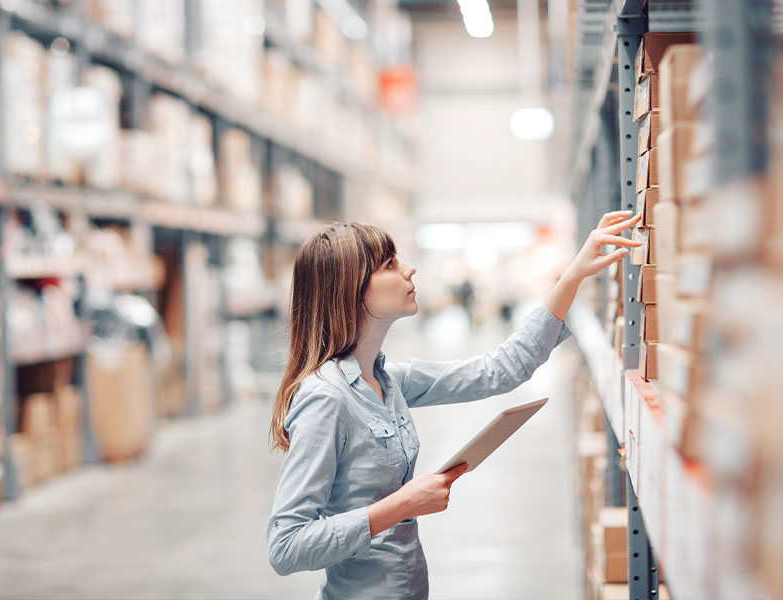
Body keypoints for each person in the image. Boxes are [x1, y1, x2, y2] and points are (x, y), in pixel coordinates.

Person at [267, 212, 642, 599]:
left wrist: (573, 276)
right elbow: (286, 545)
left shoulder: (389, 380)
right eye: (390, 264)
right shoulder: (325, 398)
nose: (409, 270)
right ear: (353, 290)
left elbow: (499, 369)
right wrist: (401, 505)